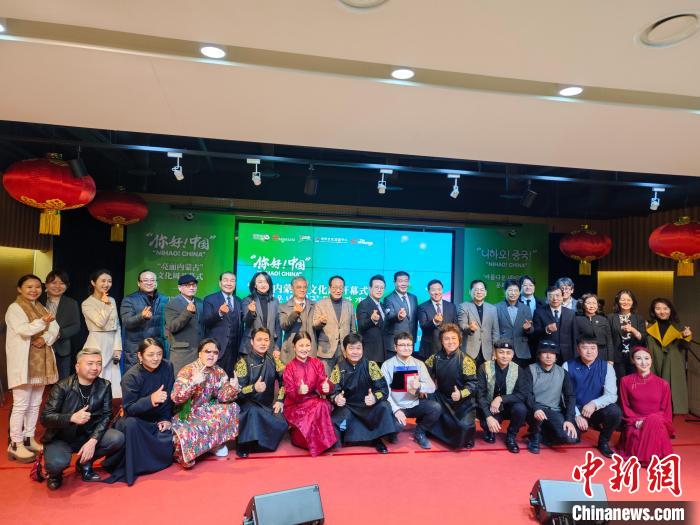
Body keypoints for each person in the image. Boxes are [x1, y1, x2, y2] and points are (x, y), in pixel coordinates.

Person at [40, 348, 125, 490]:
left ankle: (84, 463)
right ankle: (55, 474)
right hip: (61, 437)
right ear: (77, 366)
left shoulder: (104, 385)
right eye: (90, 363)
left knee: (117, 438)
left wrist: (93, 440)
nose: (95, 368)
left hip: (88, 434)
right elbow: (45, 418)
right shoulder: (62, 386)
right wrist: (71, 417)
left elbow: (107, 415)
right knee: (57, 463)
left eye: (98, 363)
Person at [5, 274, 60, 463]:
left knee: (36, 403)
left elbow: (55, 328)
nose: (34, 290)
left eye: (37, 286)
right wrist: (43, 322)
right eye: (29, 286)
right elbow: (24, 330)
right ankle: (15, 443)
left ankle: (29, 438)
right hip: (24, 362)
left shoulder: (41, 307)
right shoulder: (15, 308)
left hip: (41, 361)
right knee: (21, 404)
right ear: (19, 289)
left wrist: (44, 338)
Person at [106, 338, 175, 485]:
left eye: (159, 354)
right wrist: (150, 400)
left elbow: (168, 396)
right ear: (140, 356)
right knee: (131, 424)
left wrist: (166, 419)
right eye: (150, 355)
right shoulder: (131, 377)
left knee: (169, 434)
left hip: (157, 418)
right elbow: (129, 408)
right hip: (137, 419)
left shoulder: (167, 366)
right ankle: (135, 465)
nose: (156, 358)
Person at [170, 338, 240, 468]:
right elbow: (176, 398)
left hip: (205, 410)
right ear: (200, 353)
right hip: (186, 415)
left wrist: (233, 388)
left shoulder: (218, 371)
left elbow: (222, 397)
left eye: (215, 352)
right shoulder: (188, 370)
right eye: (208, 351)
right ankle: (195, 450)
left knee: (232, 408)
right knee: (185, 434)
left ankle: (214, 445)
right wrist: (193, 383)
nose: (211, 355)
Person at [329, 333, 395, 453]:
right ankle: (350, 437)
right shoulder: (338, 368)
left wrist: (374, 397)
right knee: (333, 426)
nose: (355, 352)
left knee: (384, 406)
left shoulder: (371, 366)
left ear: (363, 349)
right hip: (348, 406)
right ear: (344, 350)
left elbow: (383, 390)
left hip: (368, 406)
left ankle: (377, 439)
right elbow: (332, 391)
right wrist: (336, 398)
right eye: (351, 348)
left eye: (358, 348)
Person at [563, 336, 622, 458]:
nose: (589, 351)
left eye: (593, 348)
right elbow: (563, 395)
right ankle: (581, 427)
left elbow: (611, 395)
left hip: (595, 410)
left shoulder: (607, 367)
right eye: (585, 348)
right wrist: (576, 415)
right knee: (569, 438)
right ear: (578, 349)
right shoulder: (568, 366)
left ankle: (603, 442)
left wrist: (594, 404)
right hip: (575, 409)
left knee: (615, 412)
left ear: (597, 350)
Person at [616, 346, 674, 466]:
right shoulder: (625, 381)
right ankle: (652, 459)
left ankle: (646, 458)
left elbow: (665, 410)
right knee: (636, 436)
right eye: (639, 358)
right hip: (634, 421)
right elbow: (625, 406)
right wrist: (636, 420)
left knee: (654, 422)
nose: (643, 362)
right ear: (633, 360)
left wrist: (647, 421)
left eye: (647, 358)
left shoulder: (663, 384)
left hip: (657, 420)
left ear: (651, 360)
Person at [234, 327, 287, 457]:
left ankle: (258, 442)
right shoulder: (242, 363)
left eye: (266, 340)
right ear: (252, 342)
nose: (263, 343)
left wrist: (280, 400)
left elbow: (285, 381)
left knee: (282, 423)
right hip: (247, 406)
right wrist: (254, 388)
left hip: (266, 406)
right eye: (259, 340)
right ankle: (245, 444)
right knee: (253, 412)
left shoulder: (274, 360)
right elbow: (237, 392)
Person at [381, 332, 440, 449]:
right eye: (402, 345)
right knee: (397, 427)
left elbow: (432, 387)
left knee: (435, 408)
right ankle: (392, 431)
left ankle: (420, 432)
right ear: (395, 347)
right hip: (395, 406)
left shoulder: (419, 364)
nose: (406, 348)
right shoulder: (387, 365)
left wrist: (420, 386)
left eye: (409, 345)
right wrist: (396, 410)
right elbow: (385, 392)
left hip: (414, 404)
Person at [424, 324, 478, 449]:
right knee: (426, 399)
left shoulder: (466, 360)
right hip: (442, 398)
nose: (450, 342)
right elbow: (423, 372)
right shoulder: (435, 358)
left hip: (463, 402)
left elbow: (473, 384)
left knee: (463, 429)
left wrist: (461, 394)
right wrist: (423, 387)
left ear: (459, 340)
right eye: (446, 338)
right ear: (441, 341)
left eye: (454, 338)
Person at [282, 332, 337, 456]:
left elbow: (323, 382)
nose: (304, 349)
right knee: (319, 406)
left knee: (323, 404)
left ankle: (319, 443)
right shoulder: (289, 368)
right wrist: (299, 391)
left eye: (307, 345)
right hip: (295, 405)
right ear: (294, 347)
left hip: (313, 401)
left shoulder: (317, 363)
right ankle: (319, 443)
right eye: (301, 345)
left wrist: (326, 387)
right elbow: (289, 392)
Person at [476, 339, 530, 453]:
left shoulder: (518, 370)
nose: (505, 356)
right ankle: (489, 430)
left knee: (521, 409)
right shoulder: (484, 367)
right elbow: (480, 394)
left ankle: (511, 436)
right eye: (501, 352)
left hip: (507, 407)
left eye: (508, 353)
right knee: (487, 422)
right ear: (494, 353)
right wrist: (488, 416)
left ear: (512, 355)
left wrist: (501, 399)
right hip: (489, 407)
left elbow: (522, 394)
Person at [526, 340, 578, 454]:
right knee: (536, 415)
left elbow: (570, 396)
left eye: (552, 353)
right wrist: (535, 408)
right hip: (534, 409)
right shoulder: (530, 369)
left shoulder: (563, 372)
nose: (549, 356)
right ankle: (534, 436)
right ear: (539, 355)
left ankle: (542, 434)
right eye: (545, 352)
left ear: (556, 357)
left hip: (553, 411)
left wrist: (569, 420)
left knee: (571, 438)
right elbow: (527, 394)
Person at [645, 298, 693, 414]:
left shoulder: (679, 327)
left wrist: (687, 336)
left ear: (670, 310)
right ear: (653, 311)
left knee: (672, 396)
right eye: (658, 308)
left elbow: (685, 347)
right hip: (654, 363)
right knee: (653, 395)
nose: (662, 312)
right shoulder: (648, 326)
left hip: (672, 364)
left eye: (665, 308)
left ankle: (668, 422)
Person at [82, 269, 122, 397]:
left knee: (112, 376)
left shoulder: (112, 300)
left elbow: (117, 325)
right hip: (96, 341)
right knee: (97, 371)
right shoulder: (87, 303)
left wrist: (118, 347)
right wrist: (106, 305)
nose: (106, 284)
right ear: (93, 283)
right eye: (103, 281)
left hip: (112, 341)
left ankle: (111, 405)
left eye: (109, 281)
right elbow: (100, 322)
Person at [120, 269, 169, 370]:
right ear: (139, 283)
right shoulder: (129, 299)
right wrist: (141, 317)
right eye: (146, 280)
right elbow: (126, 322)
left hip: (157, 348)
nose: (149, 283)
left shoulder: (164, 299)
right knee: (136, 377)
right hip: (137, 349)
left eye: (152, 280)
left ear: (156, 282)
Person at [41, 270, 81, 380]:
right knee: (40, 382)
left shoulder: (71, 303)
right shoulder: (38, 300)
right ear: (46, 284)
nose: (58, 286)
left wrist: (58, 334)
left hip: (62, 349)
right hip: (40, 347)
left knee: (62, 382)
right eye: (54, 283)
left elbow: (76, 326)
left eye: (62, 283)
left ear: (67, 286)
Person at [313, 275, 357, 373]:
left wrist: (351, 348)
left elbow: (353, 329)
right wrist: (321, 322)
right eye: (335, 287)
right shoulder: (320, 304)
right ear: (329, 288)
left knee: (343, 379)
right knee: (325, 380)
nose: (338, 290)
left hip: (344, 351)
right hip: (326, 351)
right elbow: (314, 325)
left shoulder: (349, 304)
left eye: (341, 287)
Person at [203, 271, 243, 376]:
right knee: (214, 379)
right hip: (216, 349)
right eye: (226, 280)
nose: (229, 283)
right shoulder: (209, 299)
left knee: (230, 380)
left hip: (234, 351)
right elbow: (206, 322)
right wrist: (219, 313)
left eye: (232, 281)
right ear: (220, 283)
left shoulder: (239, 301)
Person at [165, 274, 204, 375]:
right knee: (181, 381)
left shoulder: (200, 302)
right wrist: (187, 313)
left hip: (199, 352)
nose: (191, 287)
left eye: (194, 285)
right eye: (187, 285)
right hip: (182, 353)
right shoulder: (172, 304)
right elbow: (172, 327)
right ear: (179, 288)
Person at [458, 279, 500, 366]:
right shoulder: (464, 306)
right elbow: (462, 325)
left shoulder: (492, 309)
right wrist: (470, 328)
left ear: (485, 292)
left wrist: (495, 350)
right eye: (476, 290)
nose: (479, 292)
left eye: (482, 290)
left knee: (486, 374)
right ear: (470, 292)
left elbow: (495, 332)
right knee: (468, 374)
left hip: (487, 352)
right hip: (469, 351)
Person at [607, 289, 646, 379]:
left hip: (634, 357)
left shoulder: (638, 318)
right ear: (618, 301)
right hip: (617, 358)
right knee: (619, 382)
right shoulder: (610, 317)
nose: (626, 302)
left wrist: (633, 330)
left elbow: (643, 339)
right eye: (623, 300)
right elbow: (609, 339)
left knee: (634, 382)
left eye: (629, 300)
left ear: (633, 302)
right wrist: (610, 358)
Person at [241, 271, 281, 356]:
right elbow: (246, 322)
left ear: (269, 284)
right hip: (250, 347)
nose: (263, 284)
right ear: (255, 285)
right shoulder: (247, 300)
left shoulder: (275, 301)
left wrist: (277, 347)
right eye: (260, 282)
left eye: (266, 282)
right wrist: (251, 312)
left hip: (269, 346)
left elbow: (278, 326)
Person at [533, 286, 576, 363]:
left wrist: (575, 354)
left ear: (562, 297)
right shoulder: (539, 312)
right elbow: (534, 334)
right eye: (551, 296)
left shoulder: (571, 313)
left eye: (557, 295)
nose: (555, 298)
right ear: (547, 298)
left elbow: (574, 335)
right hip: (547, 352)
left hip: (567, 353)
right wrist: (546, 329)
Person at [495, 278, 534, 367]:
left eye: (516, 290)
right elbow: (494, 330)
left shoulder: (525, 308)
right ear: (505, 291)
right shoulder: (496, 308)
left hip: (521, 350)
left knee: (520, 375)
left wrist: (528, 329)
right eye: (510, 290)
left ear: (519, 292)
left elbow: (532, 330)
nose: (513, 293)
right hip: (503, 349)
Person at [279, 275, 317, 364]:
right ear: (292, 288)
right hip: (291, 351)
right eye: (299, 287)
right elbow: (284, 326)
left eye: (305, 287)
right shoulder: (283, 306)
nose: (302, 290)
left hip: (310, 350)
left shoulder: (315, 305)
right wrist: (295, 313)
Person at [417, 279, 458, 360]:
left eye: (439, 289)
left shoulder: (451, 306)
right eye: (433, 290)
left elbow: (456, 326)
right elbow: (423, 326)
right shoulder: (422, 307)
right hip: (430, 349)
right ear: (429, 291)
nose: (436, 292)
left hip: (449, 348)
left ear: (442, 290)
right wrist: (434, 321)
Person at [382, 271, 419, 357]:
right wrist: (398, 316)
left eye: (406, 281)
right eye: (400, 281)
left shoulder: (413, 298)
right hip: (395, 345)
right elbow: (389, 316)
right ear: (394, 282)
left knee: (409, 366)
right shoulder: (388, 299)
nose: (404, 284)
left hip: (410, 343)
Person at [356, 274, 387, 364]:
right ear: (370, 288)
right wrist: (372, 320)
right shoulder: (363, 304)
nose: (379, 290)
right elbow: (361, 325)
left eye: (382, 288)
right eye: (376, 287)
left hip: (383, 352)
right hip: (370, 353)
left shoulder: (382, 305)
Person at [574, 294, 614, 363]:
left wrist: (610, 359)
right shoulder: (577, 320)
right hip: (585, 353)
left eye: (594, 303)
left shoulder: (603, 319)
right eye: (588, 303)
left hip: (602, 354)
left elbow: (609, 341)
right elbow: (575, 340)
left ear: (597, 305)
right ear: (583, 305)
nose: (592, 306)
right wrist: (576, 357)